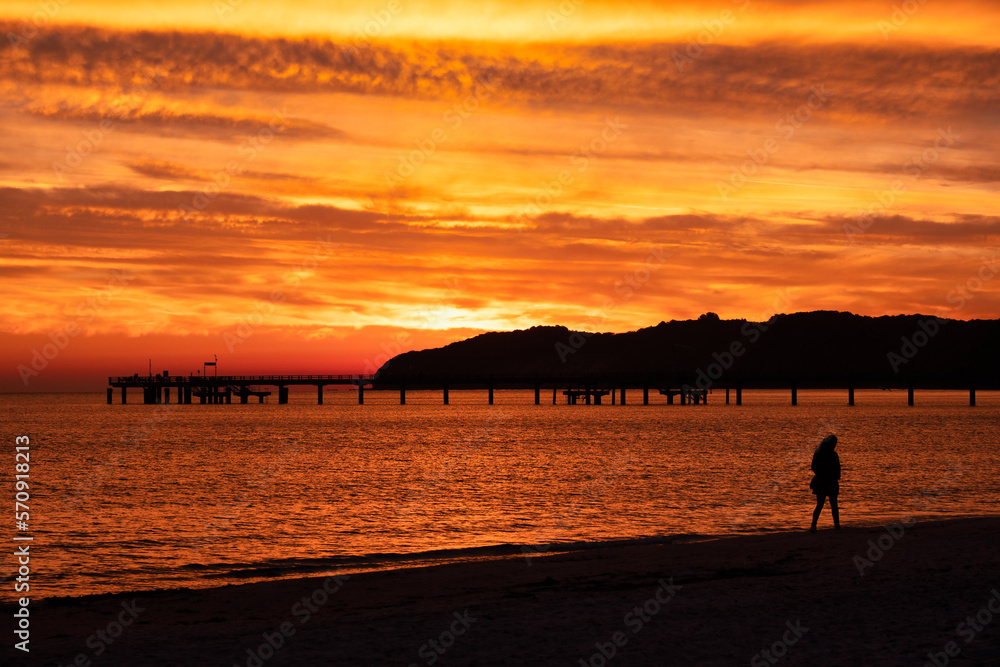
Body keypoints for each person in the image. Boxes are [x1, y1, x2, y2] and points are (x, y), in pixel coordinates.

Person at [809, 434, 841, 532]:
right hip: (828, 481)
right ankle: (836, 526)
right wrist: (835, 476)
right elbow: (837, 469)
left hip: (822, 481)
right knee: (832, 505)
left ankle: (814, 526)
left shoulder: (819, 453)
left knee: (821, 504)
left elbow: (814, 467)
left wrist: (820, 474)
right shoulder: (832, 454)